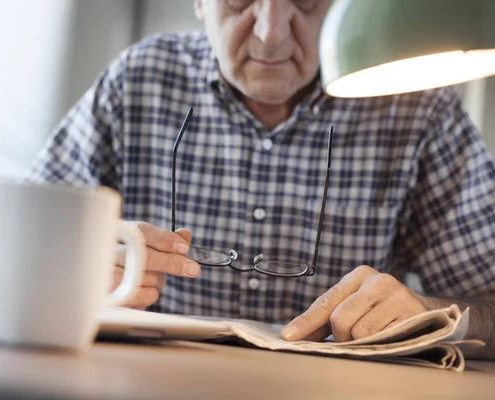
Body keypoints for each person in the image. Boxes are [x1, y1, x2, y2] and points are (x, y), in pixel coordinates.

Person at [28, 0, 495, 357]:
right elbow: (21, 246)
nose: (271, 36)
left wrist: (435, 315)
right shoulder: (138, 81)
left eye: (306, 1)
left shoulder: (419, 109)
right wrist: (75, 266)